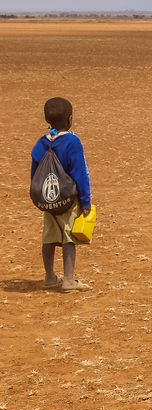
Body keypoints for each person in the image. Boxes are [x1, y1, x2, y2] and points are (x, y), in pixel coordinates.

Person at [31, 97, 92, 292]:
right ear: (70, 119)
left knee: (48, 237)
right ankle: (68, 280)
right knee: (68, 238)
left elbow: (35, 173)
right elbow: (80, 173)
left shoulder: (41, 143)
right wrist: (85, 201)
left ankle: (49, 277)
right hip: (68, 199)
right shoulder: (72, 142)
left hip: (49, 200)